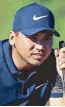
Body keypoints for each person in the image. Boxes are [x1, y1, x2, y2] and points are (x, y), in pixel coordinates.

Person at [0, 2, 65, 106]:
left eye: (47, 38)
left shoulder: (55, 63)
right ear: (12, 38)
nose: (40, 46)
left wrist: (62, 78)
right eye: (32, 37)